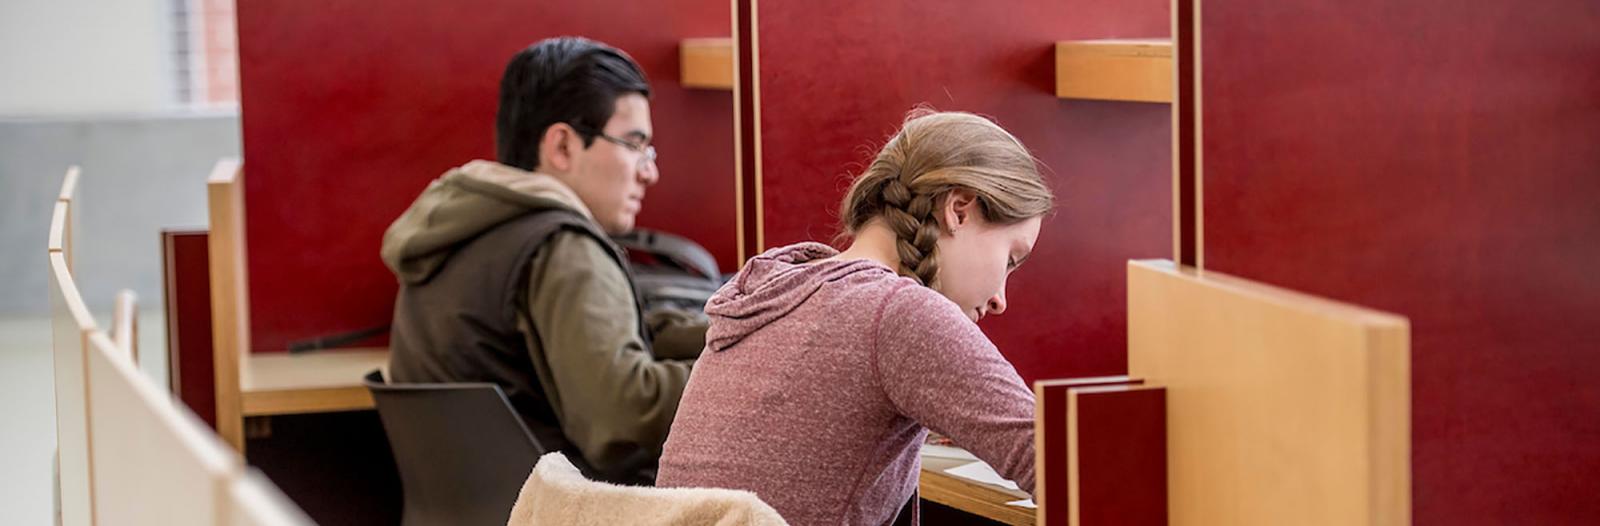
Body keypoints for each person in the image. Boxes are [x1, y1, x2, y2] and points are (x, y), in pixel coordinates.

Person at [656, 110, 1052, 524]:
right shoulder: (900, 313)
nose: (1000, 300)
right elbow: (1055, 462)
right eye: (1010, 259)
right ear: (959, 209)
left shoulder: (777, 291)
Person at [381, 36, 700, 485]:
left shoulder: (460, 232)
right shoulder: (563, 248)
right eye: (634, 145)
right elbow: (622, 418)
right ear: (563, 147)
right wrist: (743, 373)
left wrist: (723, 332)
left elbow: (608, 341)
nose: (650, 171)